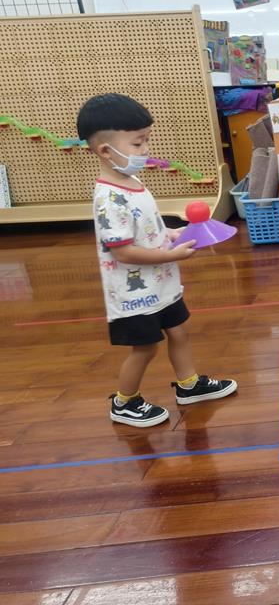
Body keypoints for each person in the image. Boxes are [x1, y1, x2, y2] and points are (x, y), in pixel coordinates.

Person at [77, 93, 238, 426]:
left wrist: (171, 234)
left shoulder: (132, 182)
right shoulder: (109, 199)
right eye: (137, 143)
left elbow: (145, 228)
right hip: (133, 294)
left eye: (146, 140)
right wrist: (171, 254)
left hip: (161, 282)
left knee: (179, 331)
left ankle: (189, 385)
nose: (145, 149)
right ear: (105, 150)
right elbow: (122, 251)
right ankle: (124, 402)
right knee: (146, 347)